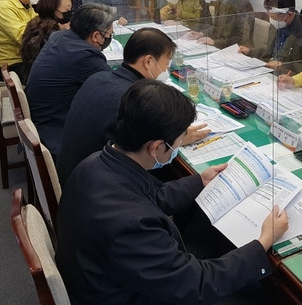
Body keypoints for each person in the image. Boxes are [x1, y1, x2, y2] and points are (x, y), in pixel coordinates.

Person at [55, 79, 289, 304]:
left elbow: (150, 198)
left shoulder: (96, 162)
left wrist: (199, 181)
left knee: (208, 243)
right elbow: (198, 285)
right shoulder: (131, 227)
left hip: (108, 277)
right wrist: (264, 241)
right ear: (156, 147)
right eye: (178, 142)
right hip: (125, 295)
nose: (178, 147)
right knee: (260, 293)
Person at [57, 27, 211, 185]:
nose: (166, 70)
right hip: (95, 187)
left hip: (72, 173)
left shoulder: (98, 77)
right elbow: (147, 154)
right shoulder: (134, 101)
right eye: (166, 63)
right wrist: (175, 141)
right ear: (148, 61)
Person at [25, 3, 114, 157]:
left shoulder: (60, 36)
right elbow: (115, 91)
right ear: (95, 36)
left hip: (42, 119)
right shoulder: (85, 56)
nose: (109, 38)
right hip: (56, 131)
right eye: (108, 35)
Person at [238, 0, 302, 74]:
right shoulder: (276, 26)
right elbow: (269, 52)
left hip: (285, 78)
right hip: (268, 71)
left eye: (274, 18)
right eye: (269, 16)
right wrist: (250, 51)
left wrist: (281, 65)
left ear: (289, 15)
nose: (271, 21)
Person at [19, 0, 72, 84]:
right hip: (47, 82)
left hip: (33, 78)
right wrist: (63, 34)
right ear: (52, 10)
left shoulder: (37, 22)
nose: (70, 13)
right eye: (66, 10)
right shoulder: (50, 33)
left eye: (70, 9)